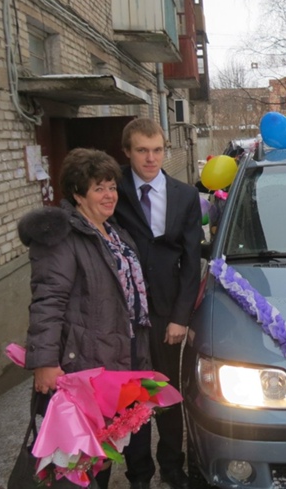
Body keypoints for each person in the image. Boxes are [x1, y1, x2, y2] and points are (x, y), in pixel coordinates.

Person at [18, 148, 151, 489]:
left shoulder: (114, 231)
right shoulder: (63, 238)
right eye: (98, 188)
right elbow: (47, 302)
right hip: (88, 362)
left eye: (112, 187)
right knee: (88, 457)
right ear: (78, 194)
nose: (109, 195)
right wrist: (44, 362)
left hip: (125, 353)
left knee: (119, 441)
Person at [114, 118, 202, 489]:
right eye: (142, 151)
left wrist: (181, 316)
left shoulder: (184, 195)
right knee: (131, 396)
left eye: (157, 150)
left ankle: (171, 465)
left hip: (167, 311)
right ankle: (139, 473)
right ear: (127, 152)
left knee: (166, 393)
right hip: (124, 312)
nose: (151, 159)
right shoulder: (113, 189)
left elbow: (192, 260)